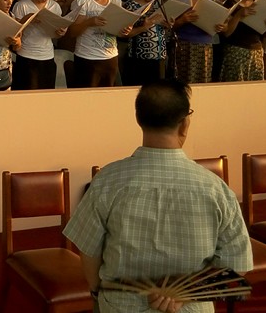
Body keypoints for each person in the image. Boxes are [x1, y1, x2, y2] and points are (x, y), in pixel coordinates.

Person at [63, 80, 252, 313]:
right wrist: (185, 291)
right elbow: (237, 264)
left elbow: (88, 249)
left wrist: (96, 292)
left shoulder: (107, 181)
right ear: (185, 124)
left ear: (138, 119)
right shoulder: (216, 189)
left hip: (120, 306)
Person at [67, 0, 123, 88]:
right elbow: (73, 32)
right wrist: (89, 22)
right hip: (88, 57)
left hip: (110, 56)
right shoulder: (84, 1)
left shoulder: (116, 1)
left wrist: (124, 29)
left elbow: (118, 29)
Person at [10, 0, 66, 90]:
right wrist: (27, 19)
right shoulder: (22, 5)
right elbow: (14, 32)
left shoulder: (54, 6)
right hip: (26, 55)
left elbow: (56, 35)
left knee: (45, 94)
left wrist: (61, 32)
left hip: (47, 56)